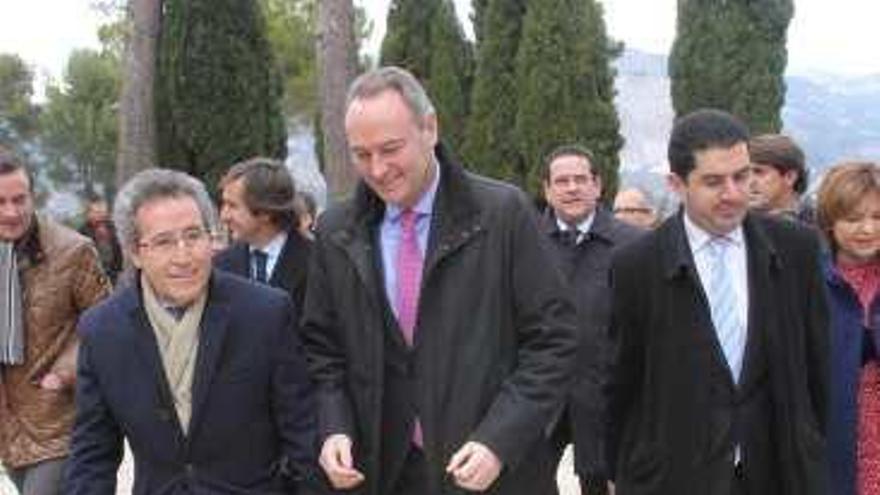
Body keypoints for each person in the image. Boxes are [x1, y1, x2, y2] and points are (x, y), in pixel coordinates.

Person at [301, 66, 577, 495]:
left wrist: (499, 440)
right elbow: (323, 350)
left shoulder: (503, 214)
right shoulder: (336, 232)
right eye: (361, 153)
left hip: (490, 473)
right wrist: (334, 427)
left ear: (429, 129)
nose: (378, 169)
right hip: (379, 473)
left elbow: (554, 341)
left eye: (391, 148)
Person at [606, 109, 830, 495]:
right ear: (677, 183)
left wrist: (808, 449)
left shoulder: (797, 250)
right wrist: (624, 469)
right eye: (713, 182)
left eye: (742, 176)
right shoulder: (636, 266)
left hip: (778, 475)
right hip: (677, 477)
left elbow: (816, 366)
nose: (733, 193)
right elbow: (623, 379)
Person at [65, 169, 316, 494]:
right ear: (136, 252)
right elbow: (92, 454)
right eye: (164, 242)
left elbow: (302, 433)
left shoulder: (264, 313)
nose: (183, 256)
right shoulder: (103, 330)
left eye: (194, 236)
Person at [0, 147, 111, 495]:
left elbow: (107, 324)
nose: (11, 212)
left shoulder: (73, 251)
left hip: (60, 419)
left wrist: (64, 372)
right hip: (8, 426)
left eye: (20, 199)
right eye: (0, 202)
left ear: (34, 196)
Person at [540, 144, 642, 495]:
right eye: (562, 181)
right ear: (547, 190)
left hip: (605, 398)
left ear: (598, 186)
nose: (572, 188)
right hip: (539, 395)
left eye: (581, 179)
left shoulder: (634, 246)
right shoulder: (525, 244)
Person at [817, 162, 880, 495]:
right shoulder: (808, 286)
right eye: (853, 219)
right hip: (835, 450)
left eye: (878, 217)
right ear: (830, 222)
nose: (867, 229)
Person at [215, 157, 312, 310]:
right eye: (224, 204)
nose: (224, 216)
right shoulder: (221, 265)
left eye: (232, 206)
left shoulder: (317, 262)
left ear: (265, 212)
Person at [748, 134, 814, 223]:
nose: (749, 181)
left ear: (789, 177)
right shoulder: (737, 224)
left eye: (759, 172)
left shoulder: (818, 229)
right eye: (744, 172)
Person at [79, 195, 124, 284]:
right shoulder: (82, 232)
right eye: (96, 212)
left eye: (102, 211)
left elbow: (118, 250)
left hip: (113, 273)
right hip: (92, 275)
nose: (100, 214)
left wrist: (118, 270)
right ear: (88, 214)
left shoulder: (112, 227)